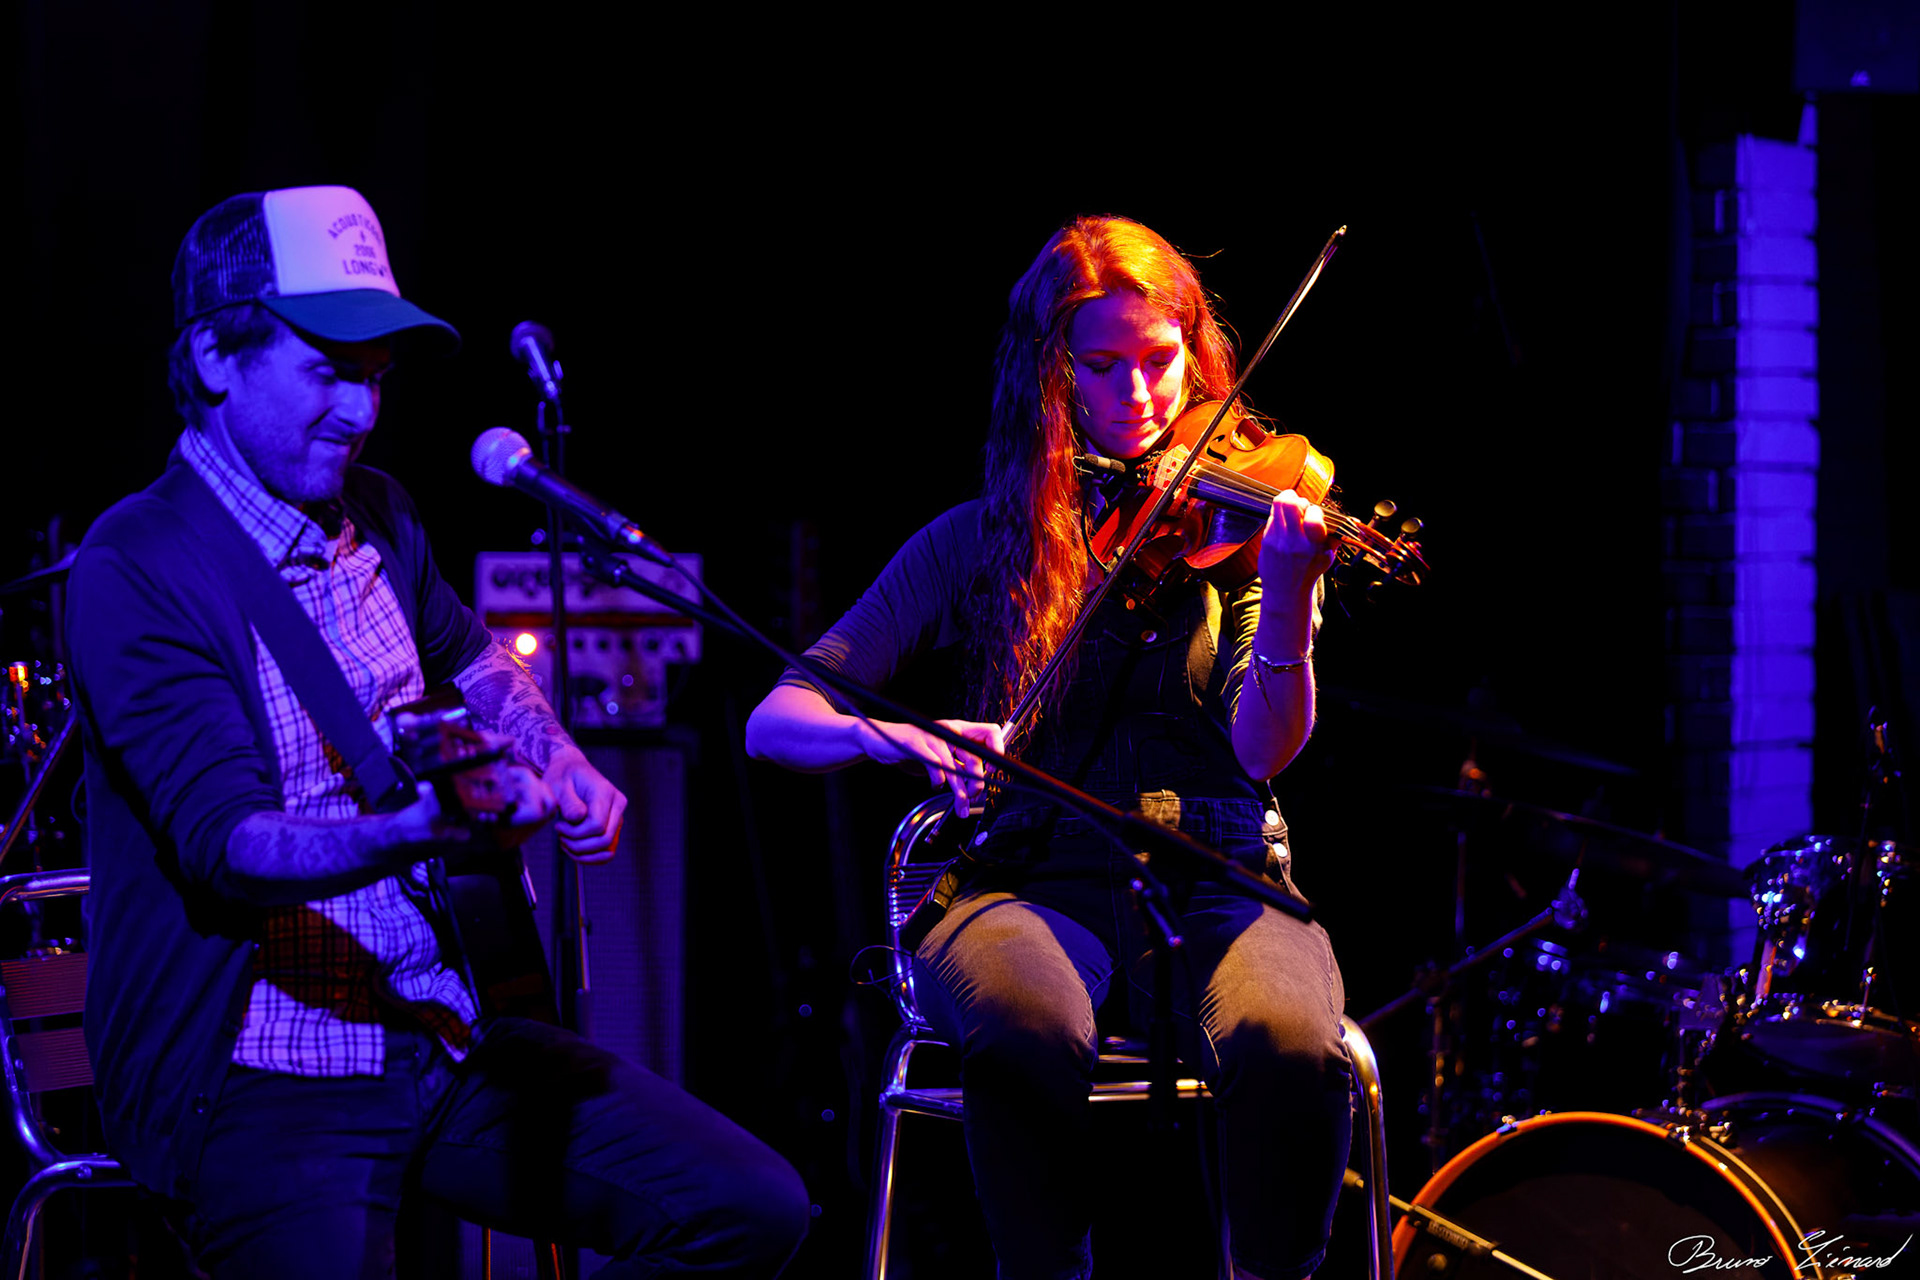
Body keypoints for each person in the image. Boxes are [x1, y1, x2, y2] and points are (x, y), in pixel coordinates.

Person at [66, 185, 809, 1278]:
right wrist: (422, 827)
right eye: (328, 369)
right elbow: (230, 845)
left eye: (375, 375)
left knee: (752, 1208)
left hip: (444, 1033)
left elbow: (473, 659)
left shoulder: (382, 512)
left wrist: (555, 753)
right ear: (216, 358)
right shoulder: (139, 564)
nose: (361, 410)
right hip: (265, 1076)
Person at [746, 215, 1350, 1280]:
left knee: (1292, 1042)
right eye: (1102, 366)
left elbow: (1264, 751)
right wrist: (897, 734)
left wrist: (1292, 596)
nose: (1139, 394)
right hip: (1025, 879)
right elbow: (775, 719)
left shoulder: (1245, 527)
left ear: (1197, 354)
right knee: (1025, 1024)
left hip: (1218, 874)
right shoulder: (984, 538)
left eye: (1160, 359)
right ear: (1052, 373)